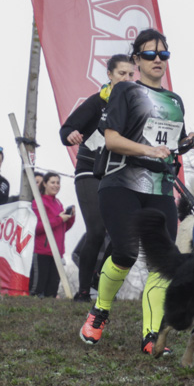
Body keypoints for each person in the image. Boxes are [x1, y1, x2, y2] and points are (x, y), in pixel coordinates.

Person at [78, 28, 194, 355]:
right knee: (126, 253)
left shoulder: (175, 101)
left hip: (160, 189)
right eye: (150, 54)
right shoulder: (126, 91)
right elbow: (112, 139)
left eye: (163, 54)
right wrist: (149, 152)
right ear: (136, 59)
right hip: (120, 182)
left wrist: (185, 145)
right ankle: (99, 310)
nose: (158, 60)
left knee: (163, 262)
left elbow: (170, 148)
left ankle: (151, 337)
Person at [59, 54, 135, 302]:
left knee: (121, 233)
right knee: (97, 229)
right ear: (110, 75)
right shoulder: (97, 102)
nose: (126, 78)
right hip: (90, 169)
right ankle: (82, 292)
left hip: (118, 173)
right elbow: (67, 128)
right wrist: (70, 135)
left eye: (130, 74)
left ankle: (98, 280)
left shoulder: (135, 105)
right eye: (121, 73)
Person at [30, 172, 75, 297]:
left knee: (52, 291)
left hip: (57, 253)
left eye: (58, 183)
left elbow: (61, 229)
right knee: (38, 289)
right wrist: (59, 219)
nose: (56, 186)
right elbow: (37, 228)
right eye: (52, 182)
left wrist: (70, 218)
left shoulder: (58, 203)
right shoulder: (38, 202)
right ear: (44, 184)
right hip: (42, 252)